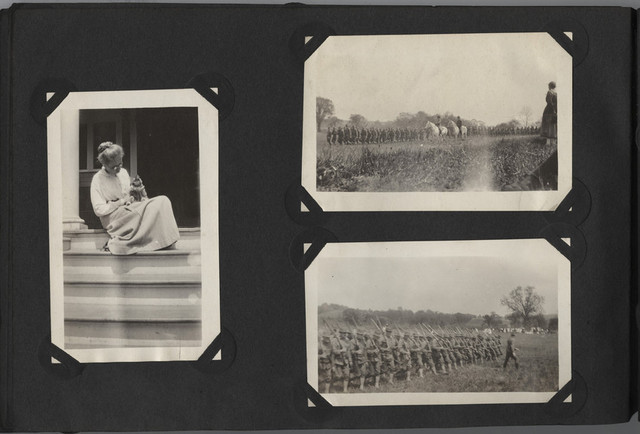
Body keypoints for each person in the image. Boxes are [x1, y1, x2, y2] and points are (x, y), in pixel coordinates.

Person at [90, 142, 180, 255]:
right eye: (114, 167)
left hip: (128, 209)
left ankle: (168, 241)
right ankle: (150, 243)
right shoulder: (98, 179)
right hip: (112, 217)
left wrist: (135, 196)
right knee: (147, 211)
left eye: (120, 163)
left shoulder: (123, 173)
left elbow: (127, 195)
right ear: (105, 165)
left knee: (163, 200)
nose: (118, 168)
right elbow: (99, 210)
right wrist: (122, 202)